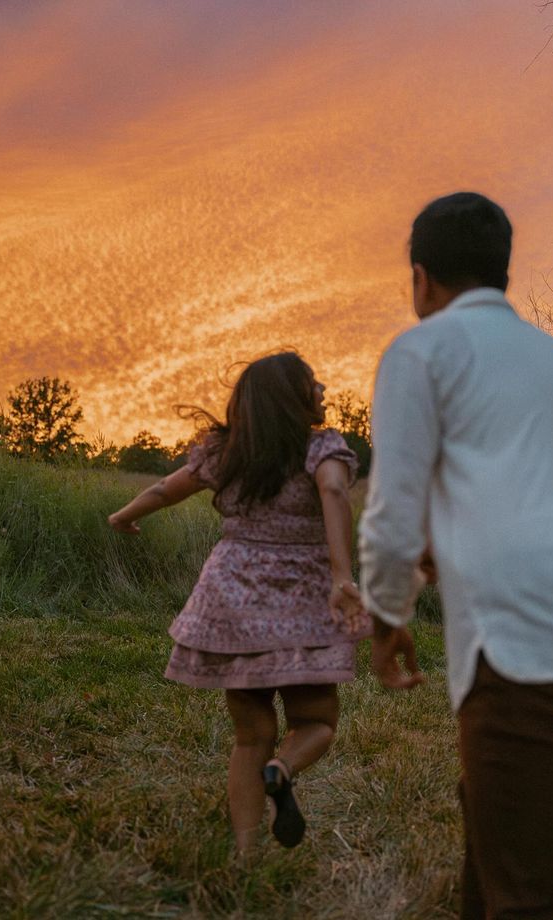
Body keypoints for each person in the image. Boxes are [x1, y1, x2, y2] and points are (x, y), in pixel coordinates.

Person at [357, 192, 553, 919]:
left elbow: (392, 511)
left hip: (536, 638)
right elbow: (534, 489)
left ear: (421, 279)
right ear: (501, 272)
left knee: (528, 891)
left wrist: (386, 616)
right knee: (495, 811)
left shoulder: (422, 350)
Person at [109, 352, 369, 860]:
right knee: (316, 721)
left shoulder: (227, 453)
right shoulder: (322, 448)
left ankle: (246, 852)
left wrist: (124, 514)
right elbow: (334, 492)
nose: (322, 388)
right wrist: (341, 575)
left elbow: (166, 489)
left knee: (251, 737)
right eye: (312, 382)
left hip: (233, 601)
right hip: (300, 603)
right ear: (292, 399)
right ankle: (285, 770)